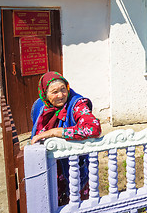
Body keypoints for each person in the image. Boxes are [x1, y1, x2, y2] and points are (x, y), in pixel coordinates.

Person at [30, 71, 101, 205]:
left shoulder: (76, 105)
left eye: (63, 89)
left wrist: (55, 132)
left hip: (72, 168)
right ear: (45, 94)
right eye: (54, 92)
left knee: (75, 204)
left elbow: (93, 128)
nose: (61, 95)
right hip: (49, 168)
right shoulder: (40, 106)